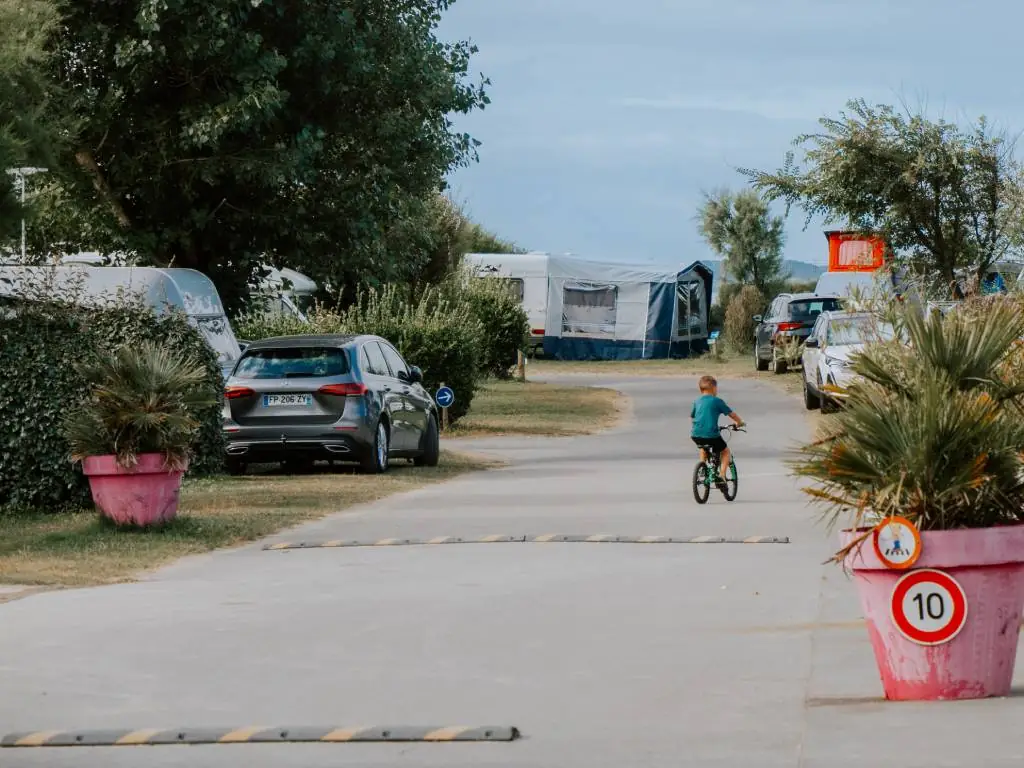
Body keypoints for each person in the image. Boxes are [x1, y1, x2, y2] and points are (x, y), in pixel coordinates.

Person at [690, 375, 745, 486]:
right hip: (711, 434)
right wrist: (740, 423)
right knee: (725, 452)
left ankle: (702, 467)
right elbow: (732, 415)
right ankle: (722, 475)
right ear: (713, 388)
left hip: (695, 434)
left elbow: (692, 416)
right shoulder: (717, 401)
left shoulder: (696, 401)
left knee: (703, 446)